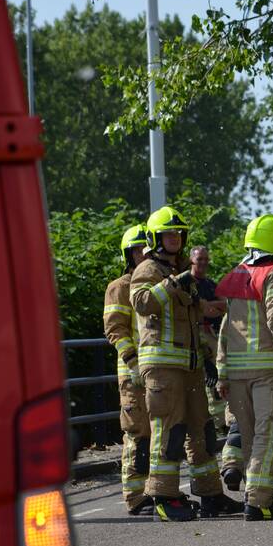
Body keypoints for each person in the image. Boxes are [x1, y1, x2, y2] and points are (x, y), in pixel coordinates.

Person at [129, 206, 243, 522]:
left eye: (179, 233)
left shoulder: (179, 273)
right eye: (169, 233)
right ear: (155, 237)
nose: (175, 239)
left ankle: (210, 495)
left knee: (202, 430)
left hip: (190, 366)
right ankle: (163, 496)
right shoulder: (148, 270)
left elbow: (200, 311)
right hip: (164, 368)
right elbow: (141, 303)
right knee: (170, 430)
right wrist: (174, 283)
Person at [215, 214, 273, 521]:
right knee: (267, 438)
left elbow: (226, 329)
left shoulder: (237, 274)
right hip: (268, 371)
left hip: (238, 374)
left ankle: (255, 498)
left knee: (252, 437)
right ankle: (259, 502)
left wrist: (223, 371)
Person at [103, 224, 153, 516]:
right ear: (128, 254)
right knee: (138, 434)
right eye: (137, 250)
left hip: (157, 371)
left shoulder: (154, 281)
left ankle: (153, 491)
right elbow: (116, 330)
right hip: (133, 374)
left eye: (146, 249)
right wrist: (134, 363)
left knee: (158, 434)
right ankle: (135, 497)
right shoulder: (119, 288)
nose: (142, 254)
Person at [190, 245, 228, 433]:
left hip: (212, 337)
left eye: (206, 259)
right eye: (200, 259)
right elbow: (197, 308)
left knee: (215, 379)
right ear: (191, 261)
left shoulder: (211, 285)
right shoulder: (187, 283)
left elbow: (225, 305)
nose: (204, 262)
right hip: (194, 338)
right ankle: (208, 424)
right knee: (201, 381)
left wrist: (207, 305)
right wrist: (207, 307)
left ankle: (219, 424)